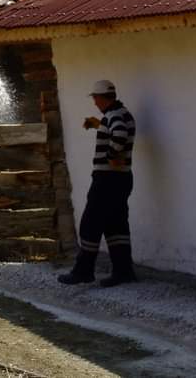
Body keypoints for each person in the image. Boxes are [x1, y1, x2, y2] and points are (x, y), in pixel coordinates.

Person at [58, 79, 137, 287]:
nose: (94, 102)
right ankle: (123, 271)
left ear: (101, 98)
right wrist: (99, 125)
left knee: (90, 224)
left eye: (95, 98)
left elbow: (119, 135)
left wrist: (112, 155)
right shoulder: (120, 113)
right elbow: (117, 130)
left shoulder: (115, 115)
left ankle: (83, 271)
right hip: (121, 179)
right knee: (116, 224)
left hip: (107, 179)